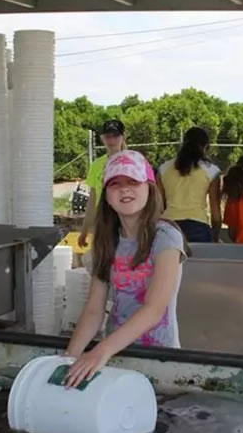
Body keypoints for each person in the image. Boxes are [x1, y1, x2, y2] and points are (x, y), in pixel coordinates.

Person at [65, 150, 187, 386]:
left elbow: (154, 308)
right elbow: (93, 310)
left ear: (149, 187)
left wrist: (100, 351)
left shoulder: (166, 237)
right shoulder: (106, 240)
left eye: (133, 181)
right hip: (117, 356)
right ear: (107, 196)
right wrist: (69, 358)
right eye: (115, 184)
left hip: (159, 358)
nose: (125, 189)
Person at [157, 126, 222, 243]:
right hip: (199, 228)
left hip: (168, 227)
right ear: (206, 147)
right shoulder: (212, 171)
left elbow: (158, 207)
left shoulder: (163, 169)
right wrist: (215, 237)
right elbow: (216, 215)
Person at [78, 119, 128, 249]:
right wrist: (84, 230)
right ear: (102, 138)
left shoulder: (133, 161)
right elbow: (92, 200)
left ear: (123, 136)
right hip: (104, 219)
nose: (111, 141)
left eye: (116, 136)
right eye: (108, 136)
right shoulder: (96, 165)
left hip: (127, 218)